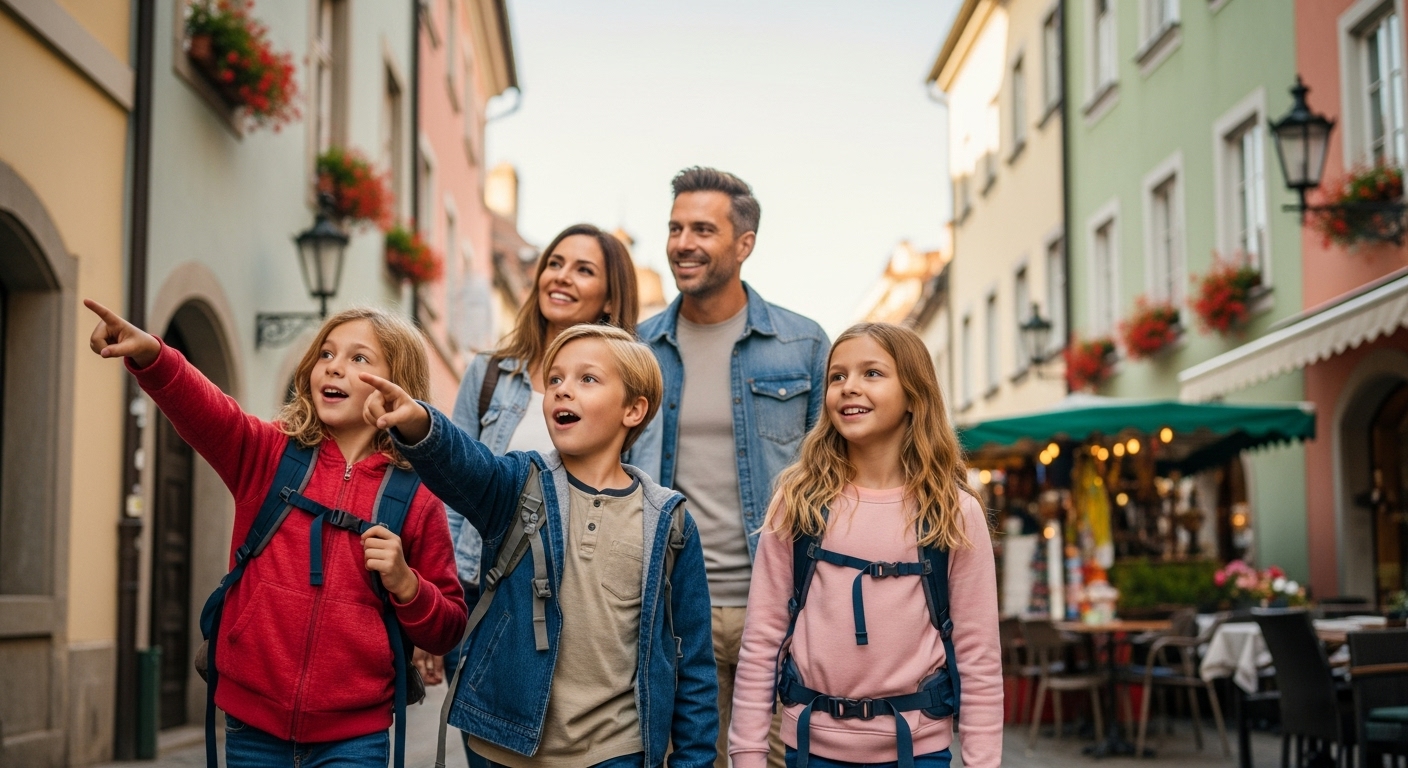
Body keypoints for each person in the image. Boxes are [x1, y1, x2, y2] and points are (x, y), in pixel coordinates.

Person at [84, 300, 467, 768]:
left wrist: (407, 584)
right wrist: (152, 356)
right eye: (326, 354)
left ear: (396, 385)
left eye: (358, 358)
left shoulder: (418, 495)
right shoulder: (267, 454)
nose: (334, 368)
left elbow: (447, 627)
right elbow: (208, 410)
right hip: (252, 726)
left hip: (355, 737)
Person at [366, 323, 718, 768]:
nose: (562, 391)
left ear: (634, 409)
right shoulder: (517, 483)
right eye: (554, 379)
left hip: (614, 752)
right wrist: (419, 422)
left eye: (587, 379)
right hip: (502, 744)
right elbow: (466, 464)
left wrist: (693, 761)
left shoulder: (669, 522)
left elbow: (695, 665)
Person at [727, 323, 1003, 768]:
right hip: (809, 749)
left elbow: (979, 657)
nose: (849, 387)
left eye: (871, 373)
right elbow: (762, 642)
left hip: (920, 751)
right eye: (838, 376)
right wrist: (748, 755)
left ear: (914, 395)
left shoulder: (954, 511)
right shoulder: (798, 502)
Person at [414, 223, 639, 767]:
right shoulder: (490, 375)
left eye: (583, 269)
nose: (561, 276)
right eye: (554, 262)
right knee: (491, 749)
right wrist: (436, 608)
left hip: (584, 604)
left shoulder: (631, 386)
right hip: (485, 597)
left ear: (610, 297)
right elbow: (449, 494)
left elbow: (636, 497)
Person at [628, 166, 829, 768]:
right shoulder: (637, 350)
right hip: (672, 607)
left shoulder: (803, 345)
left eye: (702, 229)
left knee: (778, 759)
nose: (683, 243)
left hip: (782, 606)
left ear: (744, 244)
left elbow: (834, 476)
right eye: (674, 227)